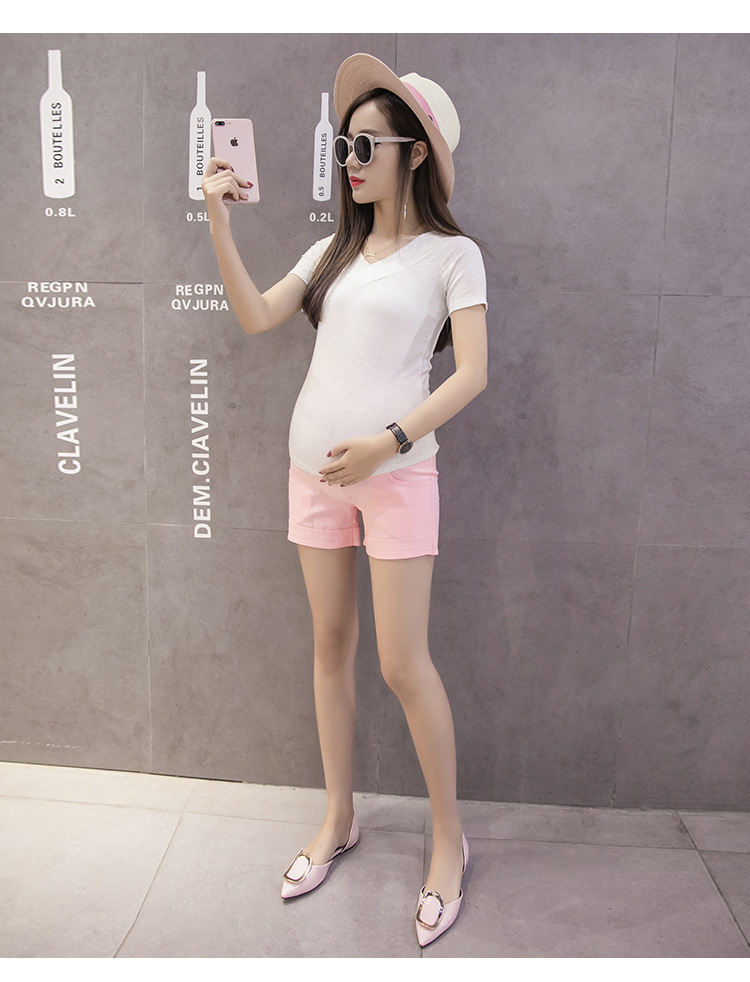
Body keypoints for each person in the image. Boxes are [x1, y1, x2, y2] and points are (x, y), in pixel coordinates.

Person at [201, 53, 488, 947]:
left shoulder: (453, 256)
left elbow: (472, 374)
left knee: (404, 664)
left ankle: (449, 840)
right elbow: (257, 316)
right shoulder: (329, 253)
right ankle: (338, 818)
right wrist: (217, 220)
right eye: (343, 146)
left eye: (366, 146)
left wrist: (386, 443)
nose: (349, 161)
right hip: (312, 478)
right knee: (330, 647)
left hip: (397, 479)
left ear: (414, 153)